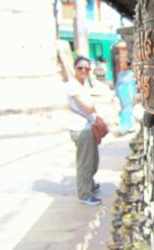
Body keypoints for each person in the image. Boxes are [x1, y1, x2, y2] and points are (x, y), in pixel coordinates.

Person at [65, 56, 102, 206]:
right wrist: (91, 107)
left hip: (87, 127)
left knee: (92, 160)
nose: (83, 71)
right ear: (75, 69)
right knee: (85, 163)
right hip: (80, 129)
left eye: (86, 68)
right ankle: (84, 194)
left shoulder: (82, 85)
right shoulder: (73, 85)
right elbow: (87, 107)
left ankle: (89, 185)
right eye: (80, 68)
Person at [115, 61, 136, 135]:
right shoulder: (120, 74)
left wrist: (133, 96)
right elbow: (117, 84)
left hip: (128, 95)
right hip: (121, 95)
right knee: (122, 111)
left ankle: (127, 127)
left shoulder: (131, 74)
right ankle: (124, 126)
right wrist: (116, 94)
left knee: (128, 111)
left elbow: (133, 86)